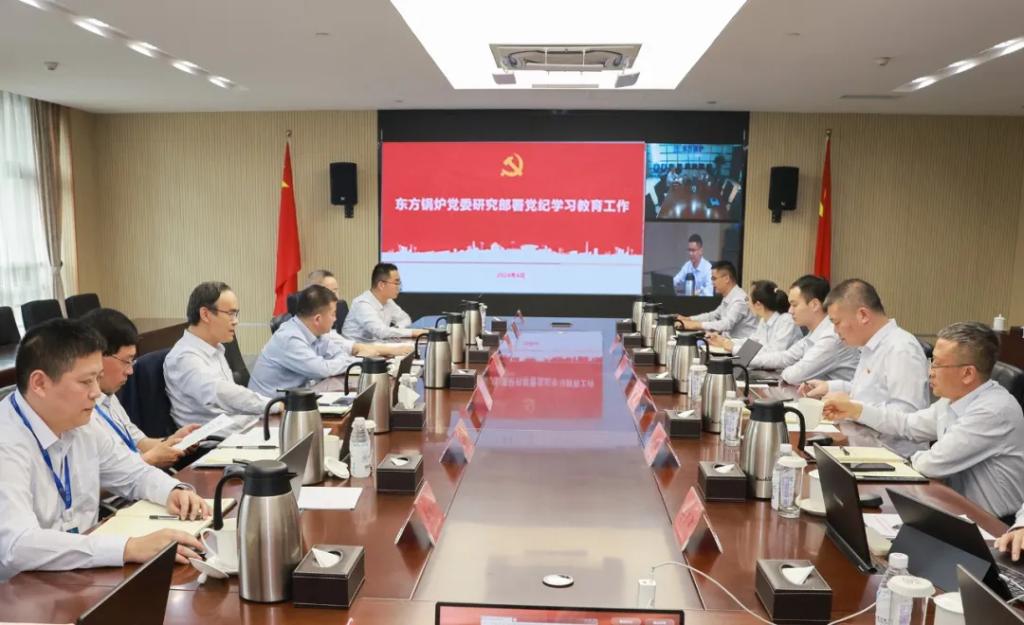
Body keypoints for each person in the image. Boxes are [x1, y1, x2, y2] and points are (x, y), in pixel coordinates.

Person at [0, 319, 208, 581]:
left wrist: (172, 491)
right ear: (40, 383)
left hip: (82, 572)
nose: (97, 393)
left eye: (97, 379)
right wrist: (129, 548)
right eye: (86, 382)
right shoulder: (6, 442)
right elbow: (17, 545)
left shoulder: (82, 422)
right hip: (22, 589)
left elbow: (133, 472)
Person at [825, 322, 1024, 524]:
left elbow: (932, 464)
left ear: (967, 374)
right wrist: (856, 410)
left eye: (937, 364)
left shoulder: (993, 411)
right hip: (954, 508)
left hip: (993, 526)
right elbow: (908, 424)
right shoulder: (953, 399)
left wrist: (910, 458)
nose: (930, 371)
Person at [80, 308, 199, 468]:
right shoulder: (81, 412)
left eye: (132, 361)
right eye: (126, 361)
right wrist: (150, 460)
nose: (130, 371)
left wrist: (174, 440)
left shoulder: (109, 396)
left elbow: (139, 442)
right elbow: (101, 476)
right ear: (98, 357)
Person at [249, 285, 409, 396]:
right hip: (269, 411)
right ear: (318, 319)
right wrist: (343, 362)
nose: (335, 319)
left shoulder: (317, 332)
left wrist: (340, 362)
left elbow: (338, 355)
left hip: (298, 397)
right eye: (333, 314)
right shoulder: (290, 338)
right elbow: (322, 369)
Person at [800, 279, 930, 416]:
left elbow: (907, 414)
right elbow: (863, 391)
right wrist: (828, 387)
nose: (835, 331)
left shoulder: (901, 349)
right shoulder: (871, 345)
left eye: (837, 322)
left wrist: (853, 406)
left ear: (863, 315)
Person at [164, 282, 273, 430]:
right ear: (205, 314)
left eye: (236, 314)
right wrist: (270, 404)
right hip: (212, 440)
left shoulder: (216, 348)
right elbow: (222, 394)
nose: (236, 321)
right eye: (230, 314)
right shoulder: (184, 358)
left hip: (235, 428)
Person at [746, 275, 859, 384]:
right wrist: (745, 360)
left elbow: (795, 375)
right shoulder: (814, 332)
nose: (790, 311)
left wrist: (786, 370)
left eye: (794, 305)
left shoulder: (831, 336)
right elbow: (786, 357)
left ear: (814, 305)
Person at [707, 280, 802, 355]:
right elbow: (752, 342)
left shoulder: (786, 321)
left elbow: (774, 353)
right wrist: (724, 341)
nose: (747, 303)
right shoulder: (764, 320)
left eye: (747, 299)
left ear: (758, 304)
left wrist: (733, 347)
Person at [342, 263, 428, 342]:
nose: (399, 287)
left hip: (377, 347)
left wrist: (397, 329)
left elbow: (405, 318)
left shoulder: (388, 301)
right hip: (356, 351)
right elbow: (381, 332)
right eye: (396, 283)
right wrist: (413, 332)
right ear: (381, 285)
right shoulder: (362, 304)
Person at [676, 260, 758, 338]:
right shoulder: (729, 296)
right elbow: (714, 316)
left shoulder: (739, 299)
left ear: (726, 279)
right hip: (730, 342)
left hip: (742, 346)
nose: (712, 283)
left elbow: (726, 324)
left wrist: (694, 325)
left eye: (714, 279)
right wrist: (689, 319)